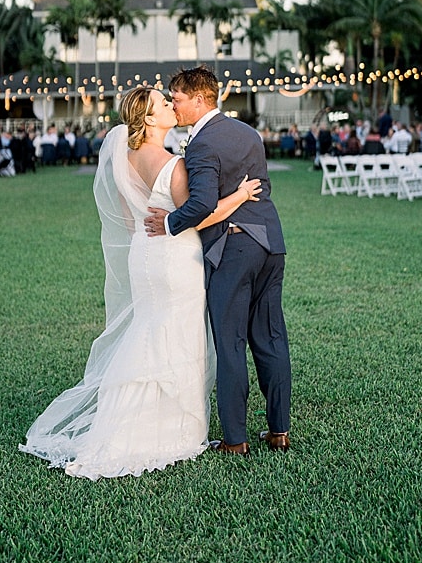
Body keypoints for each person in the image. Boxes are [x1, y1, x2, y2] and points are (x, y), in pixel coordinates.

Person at [19, 85, 261, 479]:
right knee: (179, 335)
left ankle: (131, 420)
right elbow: (197, 217)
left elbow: (131, 221)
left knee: (149, 331)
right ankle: (175, 429)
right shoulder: (171, 164)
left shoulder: (123, 158)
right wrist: (239, 195)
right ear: (149, 118)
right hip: (174, 257)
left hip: (142, 255)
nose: (171, 104)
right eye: (164, 103)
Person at [144, 65, 292, 456]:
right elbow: (263, 187)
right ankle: (279, 432)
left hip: (234, 249)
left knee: (230, 344)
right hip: (271, 245)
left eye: (176, 98)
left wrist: (170, 222)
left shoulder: (203, 144)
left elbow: (202, 202)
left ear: (198, 98)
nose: (173, 105)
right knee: (271, 336)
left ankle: (235, 439)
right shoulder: (248, 133)